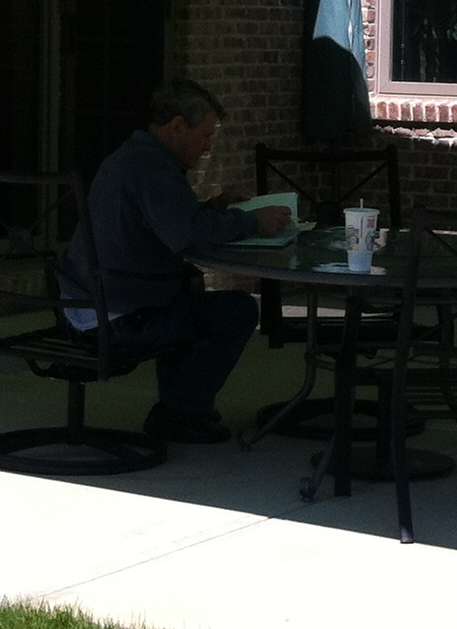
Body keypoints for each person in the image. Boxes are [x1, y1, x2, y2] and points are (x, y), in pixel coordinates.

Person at [59, 79, 290, 442]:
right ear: (178, 126)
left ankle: (181, 406)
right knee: (237, 311)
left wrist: (215, 207)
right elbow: (187, 234)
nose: (208, 147)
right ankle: (181, 412)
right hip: (116, 318)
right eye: (205, 135)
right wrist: (252, 221)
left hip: (86, 305)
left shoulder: (134, 157)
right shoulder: (153, 169)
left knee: (188, 300)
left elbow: (171, 221)